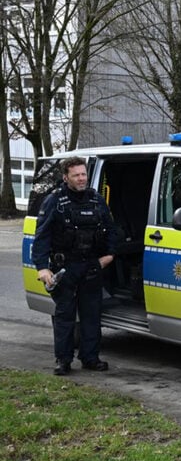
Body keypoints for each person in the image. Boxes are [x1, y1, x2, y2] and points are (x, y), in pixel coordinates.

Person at [32, 157, 118, 376]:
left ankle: (90, 358)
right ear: (66, 177)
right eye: (76, 175)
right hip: (65, 267)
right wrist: (42, 268)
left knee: (92, 315)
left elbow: (110, 230)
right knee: (65, 316)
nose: (81, 179)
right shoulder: (54, 201)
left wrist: (109, 255)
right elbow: (41, 237)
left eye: (83, 174)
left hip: (91, 266)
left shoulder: (97, 200)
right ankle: (63, 360)